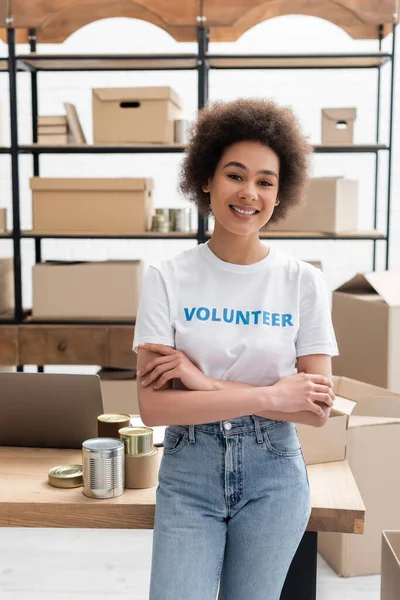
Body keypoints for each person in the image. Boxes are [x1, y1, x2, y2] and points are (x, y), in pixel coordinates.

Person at [132, 98, 339, 600]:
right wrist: (270, 396)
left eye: (265, 181)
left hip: (275, 475)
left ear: (279, 194)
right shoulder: (166, 277)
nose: (249, 193)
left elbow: (316, 410)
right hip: (189, 471)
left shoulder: (303, 282)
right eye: (235, 175)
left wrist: (204, 385)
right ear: (206, 179)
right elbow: (154, 406)